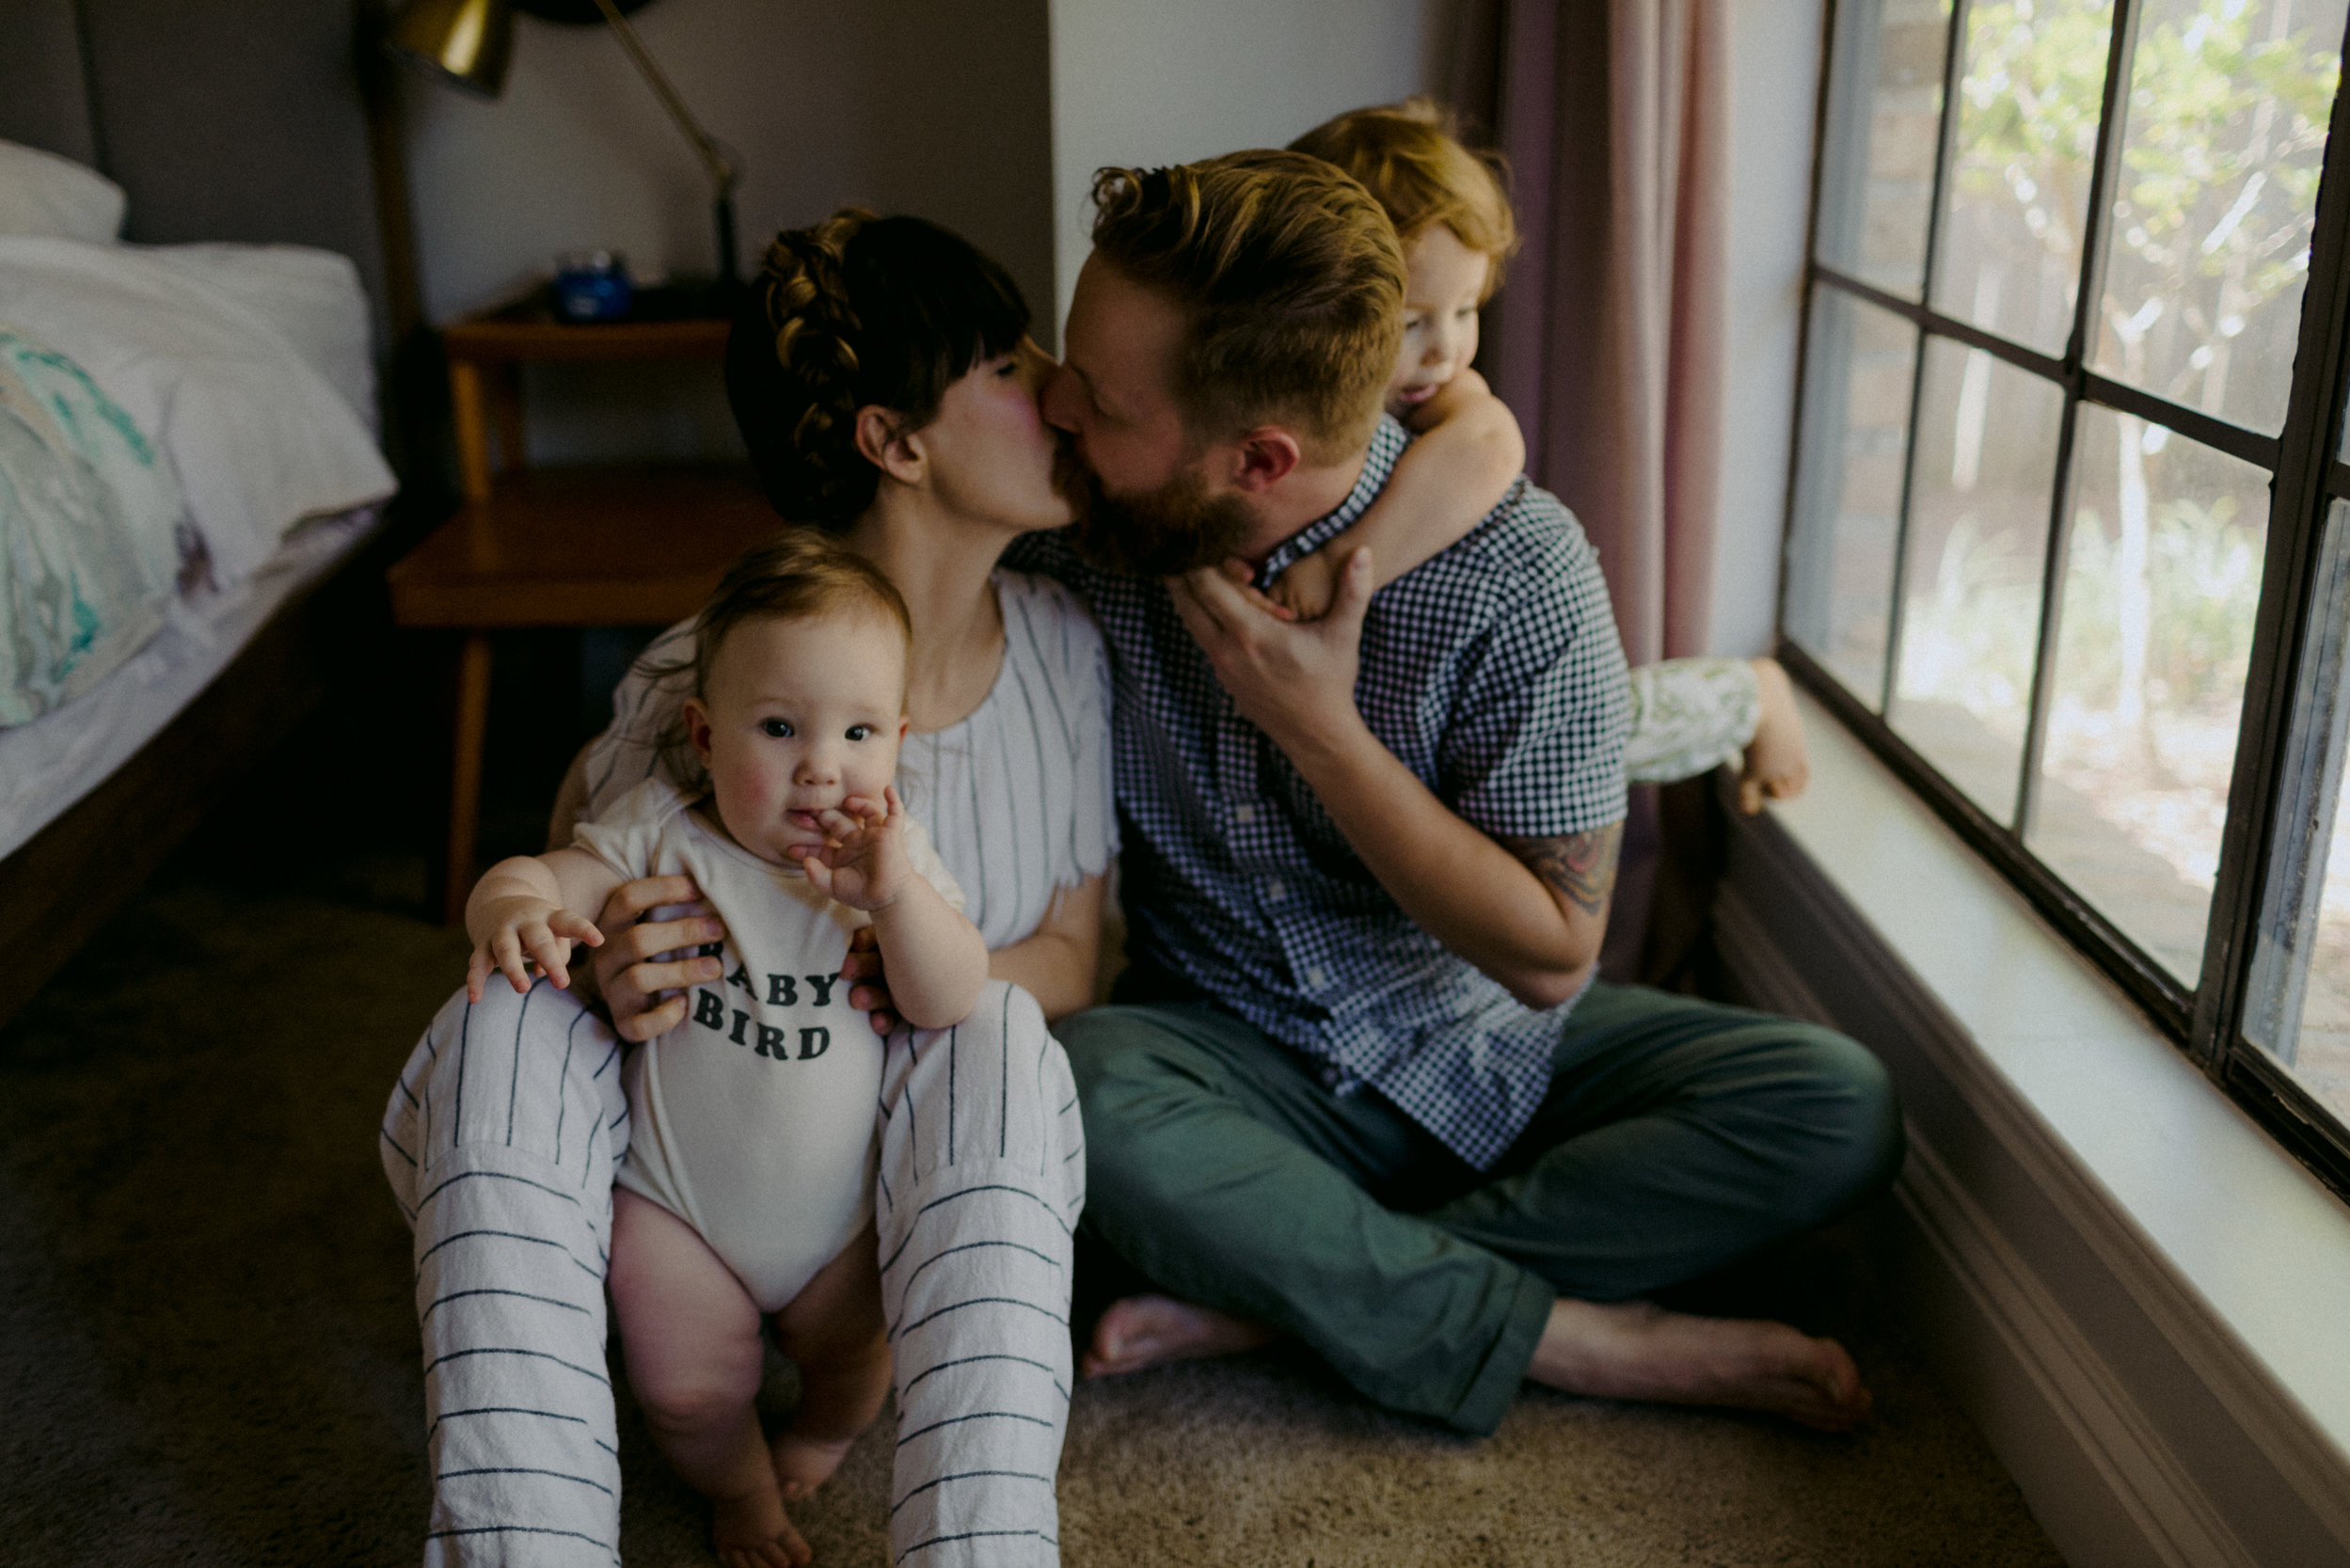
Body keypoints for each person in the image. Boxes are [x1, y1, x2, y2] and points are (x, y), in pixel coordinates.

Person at [1019, 148, 1903, 1436]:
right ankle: (1569, 1333)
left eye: (1096, 397)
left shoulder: (1516, 576)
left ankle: (1293, 1286)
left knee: (1837, 1106)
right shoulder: (1095, 527)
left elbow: (1554, 954)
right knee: (1080, 1085)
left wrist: (1321, 729)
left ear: (1258, 457)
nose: (1054, 405)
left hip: (1498, 1051)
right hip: (1226, 1062)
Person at [382, 212, 1105, 1568]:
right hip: (696, 1117)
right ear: (895, 439)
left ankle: (981, 1539)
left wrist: (916, 943)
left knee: (999, 1030)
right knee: (502, 1013)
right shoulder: (700, 673)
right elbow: (580, 875)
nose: (1059, 387)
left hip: (901, 1126)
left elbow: (1076, 951)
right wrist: (591, 954)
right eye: (1011, 367)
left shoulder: (1065, 649)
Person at [461, 532, 992, 1568]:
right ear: (704, 736)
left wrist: (896, 900)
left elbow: (951, 997)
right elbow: (538, 871)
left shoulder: (897, 864)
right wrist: (514, 906)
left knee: (854, 1360)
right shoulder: (657, 832)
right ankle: (741, 1487)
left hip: (842, 1213)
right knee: (683, 1386)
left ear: (898, 738)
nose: (821, 766)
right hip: (678, 1205)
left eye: (858, 730)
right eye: (780, 726)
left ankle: (824, 1430)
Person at [1273, 97, 1808, 816]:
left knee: (1603, 730)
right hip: (1391, 670)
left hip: (1491, 648)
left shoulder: (1440, 394)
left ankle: (1748, 697)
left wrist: (1348, 562)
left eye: (1466, 311)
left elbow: (1493, 449)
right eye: (1412, 321)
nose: (1447, 345)